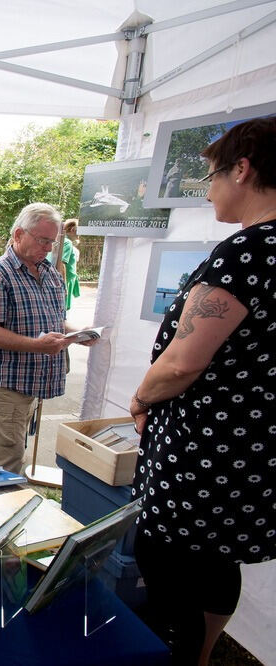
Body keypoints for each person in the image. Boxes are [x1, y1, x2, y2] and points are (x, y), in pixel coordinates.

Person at [129, 117, 276, 665]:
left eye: (213, 175)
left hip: (206, 459)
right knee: (218, 563)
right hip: (254, 452)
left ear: (243, 169)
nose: (209, 188)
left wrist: (143, 396)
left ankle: (183, 656)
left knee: (170, 566)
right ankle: (204, 653)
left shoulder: (247, 252)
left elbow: (182, 365)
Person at [0, 203, 97, 472]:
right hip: (8, 386)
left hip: (31, 384)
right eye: (42, 240)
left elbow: (54, 318)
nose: (48, 248)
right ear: (19, 235)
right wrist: (37, 346)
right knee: (7, 461)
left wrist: (75, 333)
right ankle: (0, 508)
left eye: (51, 242)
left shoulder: (49, 272)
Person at [47, 218, 81, 310]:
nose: (79, 236)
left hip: (63, 279)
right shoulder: (67, 243)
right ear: (73, 229)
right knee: (64, 308)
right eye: (79, 232)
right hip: (65, 280)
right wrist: (64, 284)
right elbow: (61, 263)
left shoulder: (60, 240)